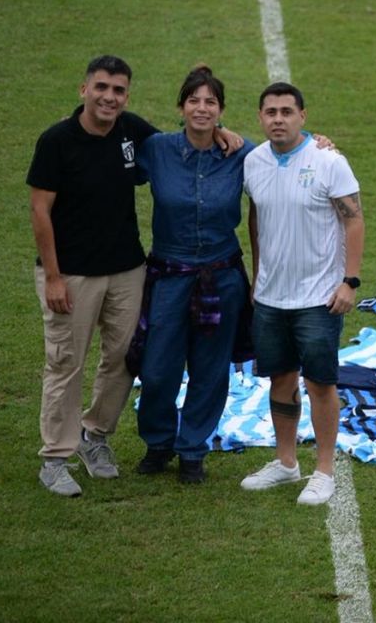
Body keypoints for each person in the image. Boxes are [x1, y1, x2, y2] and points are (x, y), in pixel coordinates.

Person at [27, 55, 243, 497]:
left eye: (119, 91)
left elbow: (205, 141)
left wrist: (221, 131)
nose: (109, 97)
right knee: (68, 362)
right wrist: (52, 276)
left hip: (130, 271)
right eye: (102, 88)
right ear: (83, 89)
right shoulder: (60, 141)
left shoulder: (132, 132)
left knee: (125, 360)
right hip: (76, 273)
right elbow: (39, 209)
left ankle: (97, 437)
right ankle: (55, 456)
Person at [240, 81, 365, 506]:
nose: (278, 119)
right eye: (271, 112)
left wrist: (350, 281)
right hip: (271, 297)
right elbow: (256, 219)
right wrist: (259, 276)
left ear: (302, 117)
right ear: (260, 117)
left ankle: (325, 469)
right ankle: (286, 462)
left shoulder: (329, 162)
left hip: (319, 297)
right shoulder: (253, 162)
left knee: (320, 383)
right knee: (280, 377)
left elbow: (354, 220)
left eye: (286, 112)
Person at [131, 66, 255, 484]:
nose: (202, 109)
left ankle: (192, 451)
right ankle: (159, 442)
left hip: (221, 278)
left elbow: (288, 156)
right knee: (157, 368)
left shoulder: (242, 153)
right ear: (181, 106)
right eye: (193, 100)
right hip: (168, 276)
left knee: (210, 369)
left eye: (210, 102)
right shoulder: (156, 149)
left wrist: (320, 144)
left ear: (221, 110)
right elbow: (115, 134)